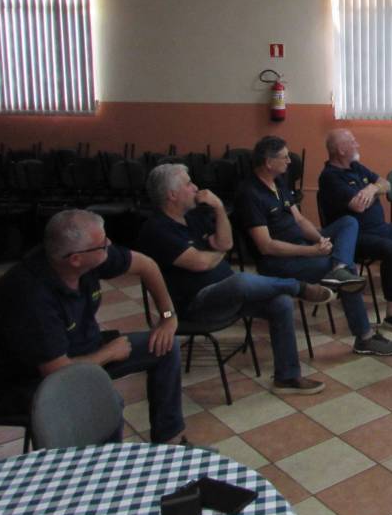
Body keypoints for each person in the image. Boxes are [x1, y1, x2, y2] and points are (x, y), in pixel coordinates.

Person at [0, 209, 185, 444]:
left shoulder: (91, 257)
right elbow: (57, 372)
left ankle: (169, 441)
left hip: (83, 351)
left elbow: (147, 265)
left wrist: (168, 317)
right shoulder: (31, 296)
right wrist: (108, 353)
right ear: (76, 259)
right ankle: (105, 463)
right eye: (103, 244)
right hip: (27, 382)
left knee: (166, 347)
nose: (110, 245)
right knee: (103, 403)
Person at [138, 163, 339, 395]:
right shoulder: (157, 229)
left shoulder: (192, 217)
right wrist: (219, 253)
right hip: (197, 305)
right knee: (241, 281)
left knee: (281, 302)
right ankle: (300, 287)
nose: (195, 187)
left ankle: (287, 377)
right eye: (188, 183)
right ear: (172, 194)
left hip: (228, 296)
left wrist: (218, 208)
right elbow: (201, 262)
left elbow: (226, 243)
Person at [237, 136, 392, 357]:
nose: (289, 161)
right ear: (268, 162)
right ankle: (364, 337)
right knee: (350, 275)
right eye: (284, 157)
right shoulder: (250, 194)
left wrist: (319, 240)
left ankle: (339, 267)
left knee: (348, 222)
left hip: (303, 245)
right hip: (280, 260)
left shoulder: (278, 183)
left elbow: (300, 220)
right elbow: (266, 246)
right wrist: (311, 251)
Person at [319, 129, 392, 333]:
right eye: (353, 141)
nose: (357, 144)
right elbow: (358, 206)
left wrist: (372, 189)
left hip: (380, 228)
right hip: (355, 237)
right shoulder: (330, 177)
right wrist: (375, 190)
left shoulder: (355, 167)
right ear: (341, 149)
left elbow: (386, 184)